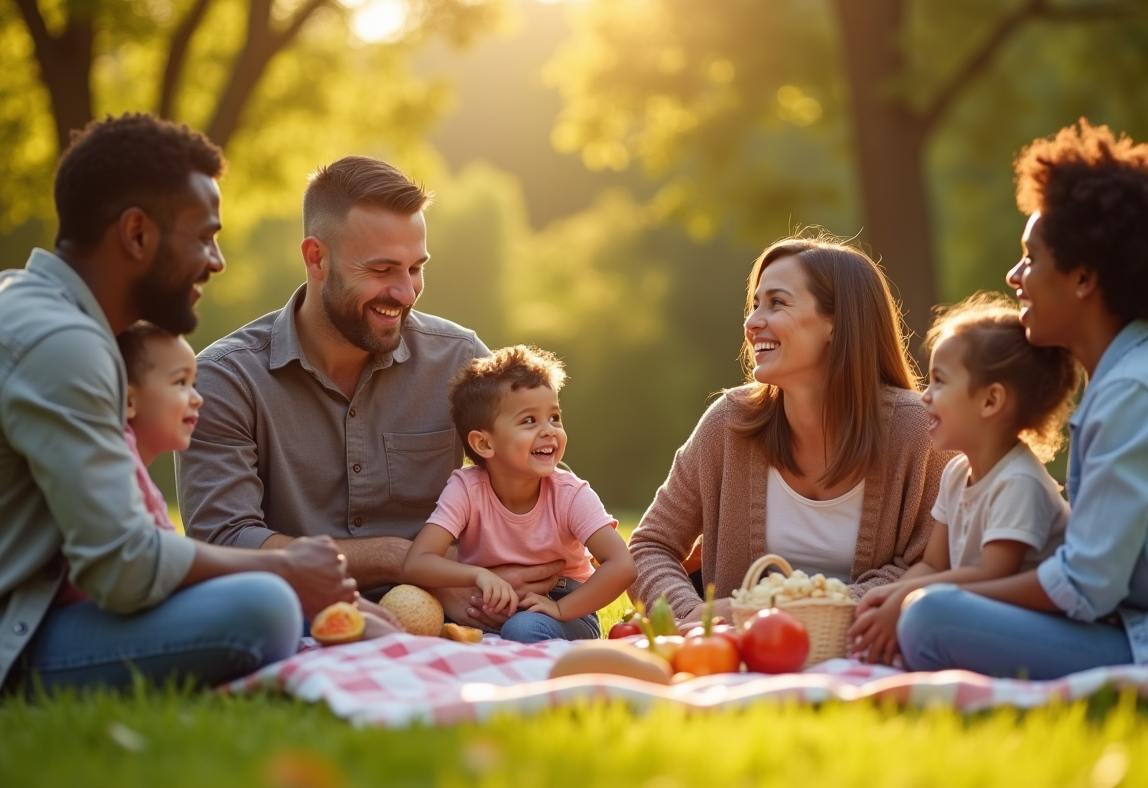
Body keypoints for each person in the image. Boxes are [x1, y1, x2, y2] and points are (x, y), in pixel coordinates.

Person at [0, 113, 367, 694]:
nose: (216, 260)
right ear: (138, 234)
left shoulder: (30, 306)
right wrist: (284, 567)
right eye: (203, 235)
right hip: (15, 640)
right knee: (264, 605)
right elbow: (124, 568)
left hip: (45, 611)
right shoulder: (64, 345)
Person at [177, 156, 564, 629]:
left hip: (458, 621)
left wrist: (507, 570)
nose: (405, 292)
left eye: (416, 268)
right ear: (316, 258)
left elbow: (542, 487)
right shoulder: (227, 379)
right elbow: (225, 540)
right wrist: (399, 558)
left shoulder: (459, 359)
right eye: (382, 270)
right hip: (295, 623)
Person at [897, 120, 1148, 679]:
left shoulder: (1136, 392)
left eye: (1030, 259)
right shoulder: (1138, 375)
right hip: (1133, 631)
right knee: (929, 608)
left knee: (929, 618)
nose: (1015, 276)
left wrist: (937, 599)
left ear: (1083, 278)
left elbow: (1086, 585)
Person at [628, 235, 952, 623]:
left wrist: (793, 611)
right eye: (754, 305)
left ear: (837, 322)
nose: (751, 322)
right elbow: (649, 546)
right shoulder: (729, 424)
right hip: (742, 666)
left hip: (869, 656)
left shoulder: (920, 432)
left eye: (777, 303)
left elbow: (934, 564)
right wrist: (696, 616)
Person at [846, 294, 1078, 665]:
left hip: (1029, 625)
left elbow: (990, 575)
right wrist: (891, 595)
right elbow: (935, 565)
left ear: (990, 401)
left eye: (939, 382)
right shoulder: (956, 472)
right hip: (978, 609)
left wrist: (907, 601)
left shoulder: (1019, 481)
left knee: (922, 618)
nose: (924, 396)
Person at [403, 346, 636, 643]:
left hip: (565, 601)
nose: (549, 430)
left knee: (523, 629)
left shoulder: (570, 494)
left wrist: (561, 608)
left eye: (554, 417)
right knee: (421, 618)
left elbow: (621, 565)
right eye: (529, 421)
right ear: (484, 444)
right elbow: (417, 563)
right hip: (489, 597)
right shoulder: (466, 488)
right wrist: (478, 576)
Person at [118, 323, 204, 533]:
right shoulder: (115, 470)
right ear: (129, 401)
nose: (198, 399)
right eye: (181, 382)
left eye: (194, 385)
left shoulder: (137, 476)